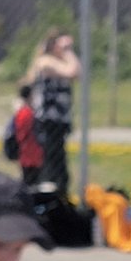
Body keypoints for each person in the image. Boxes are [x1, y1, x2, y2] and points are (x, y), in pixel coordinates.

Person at [24, 29, 81, 197]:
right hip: (48, 121)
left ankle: (59, 195)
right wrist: (68, 51)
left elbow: (78, 73)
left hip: (60, 121)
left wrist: (67, 53)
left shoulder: (60, 61)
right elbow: (72, 72)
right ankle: (50, 194)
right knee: (52, 164)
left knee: (59, 164)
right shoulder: (45, 61)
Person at [13, 83, 44, 186]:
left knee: (28, 181)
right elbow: (24, 134)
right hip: (31, 154)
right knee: (31, 183)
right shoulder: (27, 113)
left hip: (26, 154)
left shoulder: (21, 111)